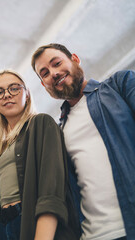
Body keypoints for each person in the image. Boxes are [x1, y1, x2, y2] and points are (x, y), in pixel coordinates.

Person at [31, 43, 135, 240]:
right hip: (92, 235)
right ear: (44, 86)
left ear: (75, 59)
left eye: (57, 63)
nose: (53, 73)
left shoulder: (120, 86)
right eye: (44, 73)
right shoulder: (58, 132)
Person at [0, 69, 80, 240]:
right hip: (4, 227)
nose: (7, 95)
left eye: (14, 88)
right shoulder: (2, 148)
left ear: (27, 94)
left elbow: (51, 191)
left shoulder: (41, 123)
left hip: (30, 221)